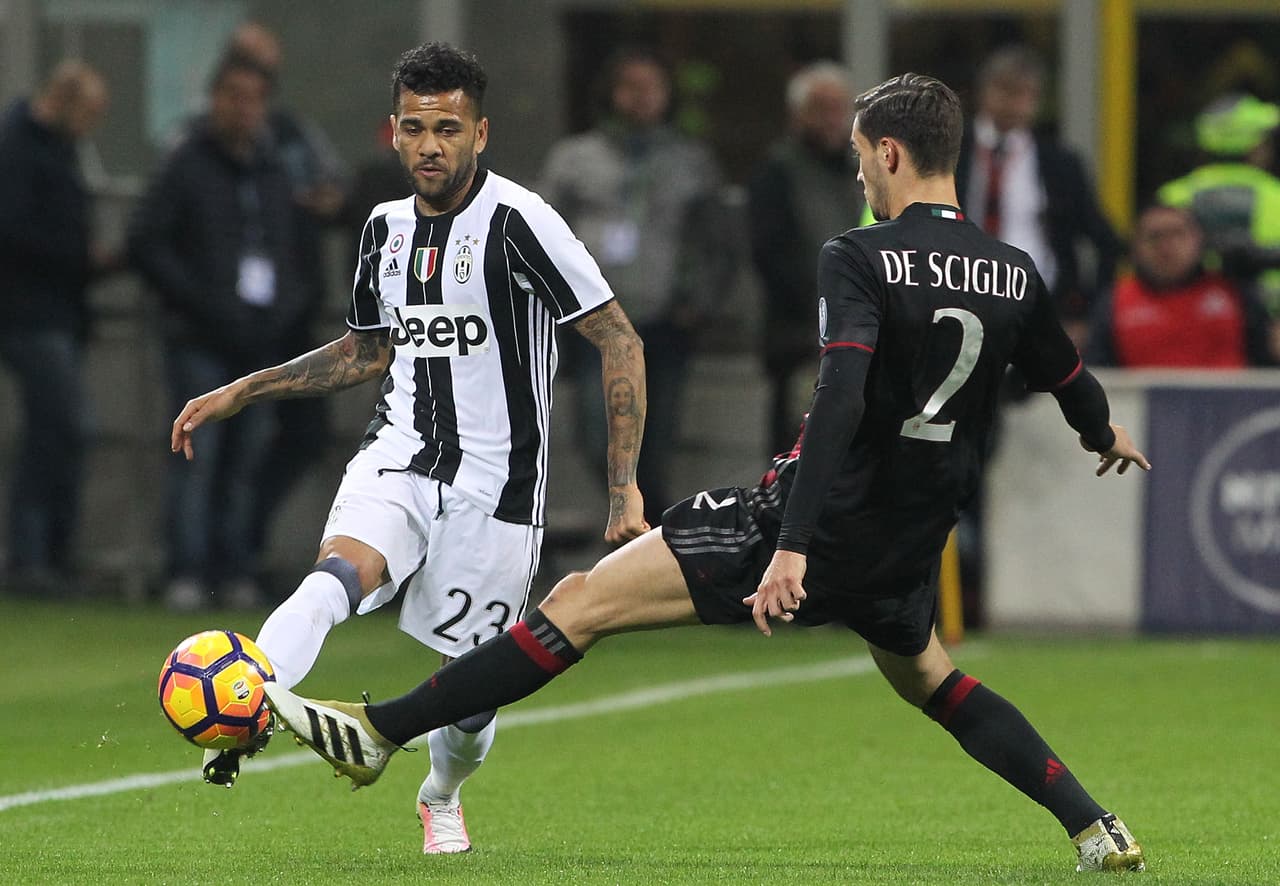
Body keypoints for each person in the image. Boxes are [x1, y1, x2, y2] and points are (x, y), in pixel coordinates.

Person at [265, 73, 1149, 874]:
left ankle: (383, 733)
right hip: (909, 535)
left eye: (858, 160)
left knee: (580, 602)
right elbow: (1070, 378)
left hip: (809, 518)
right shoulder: (1013, 271)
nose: (859, 180)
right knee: (938, 683)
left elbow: (836, 399)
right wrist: (1103, 434)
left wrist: (792, 545)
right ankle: (1093, 826)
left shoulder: (860, 253)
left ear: (889, 152)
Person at [169, 43, 648, 855]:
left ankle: (440, 790)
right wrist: (244, 388)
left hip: (499, 487)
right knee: (334, 577)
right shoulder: (383, 230)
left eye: (449, 128)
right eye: (417, 127)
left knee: (471, 703)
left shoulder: (520, 221)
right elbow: (366, 352)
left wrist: (623, 488)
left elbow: (619, 339)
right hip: (402, 453)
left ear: (480, 134)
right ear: (392, 132)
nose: (431, 145)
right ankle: (247, 712)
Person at [130, 51, 308, 612]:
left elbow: (291, 250)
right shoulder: (186, 165)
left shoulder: (274, 169)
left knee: (247, 462)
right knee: (197, 456)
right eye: (233, 96)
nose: (244, 108)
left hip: (258, 344)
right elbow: (148, 241)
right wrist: (202, 303)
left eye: (254, 98)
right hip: (201, 338)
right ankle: (187, 573)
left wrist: (282, 313)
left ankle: (234, 569)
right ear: (213, 100)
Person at [541, 47, 730, 525]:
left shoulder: (691, 160)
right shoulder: (576, 158)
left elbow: (718, 242)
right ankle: (635, 525)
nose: (642, 98)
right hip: (596, 322)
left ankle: (648, 535)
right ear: (610, 92)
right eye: (632, 86)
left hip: (664, 323)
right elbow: (542, 234)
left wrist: (699, 303)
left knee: (656, 438)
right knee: (594, 432)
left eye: (652, 88)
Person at [224, 21, 350, 593]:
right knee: (236, 443)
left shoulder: (288, 139)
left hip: (291, 314)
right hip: (228, 323)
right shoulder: (201, 148)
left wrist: (325, 202)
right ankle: (220, 562)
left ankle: (241, 547)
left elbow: (334, 189)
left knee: (299, 435)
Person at [0, 61, 109, 596]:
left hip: (54, 311)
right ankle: (34, 556)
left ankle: (44, 554)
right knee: (61, 429)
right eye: (87, 114)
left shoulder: (50, 146)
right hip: (30, 313)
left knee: (55, 432)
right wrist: (80, 257)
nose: (90, 127)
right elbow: (15, 229)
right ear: (64, 102)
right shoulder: (19, 147)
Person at [956, 45, 1122, 346]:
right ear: (983, 91)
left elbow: (1106, 241)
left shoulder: (1059, 164)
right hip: (955, 303)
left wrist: (1084, 313)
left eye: (1024, 93)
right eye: (1004, 89)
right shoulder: (950, 153)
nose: (1013, 102)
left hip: (1038, 307)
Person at [748, 61, 865, 457]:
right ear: (797, 114)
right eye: (821, 108)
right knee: (795, 459)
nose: (833, 119)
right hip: (800, 343)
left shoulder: (862, 174)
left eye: (840, 107)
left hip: (861, 342)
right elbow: (771, 256)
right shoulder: (777, 172)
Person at [1088, 203, 1277, 367]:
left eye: (1178, 234)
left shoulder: (1233, 293)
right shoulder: (1115, 300)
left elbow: (1265, 357)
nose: (1166, 246)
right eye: (1155, 237)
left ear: (1199, 241)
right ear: (1135, 247)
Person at [1157, 93, 1280, 318]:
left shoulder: (1172, 197)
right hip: (1269, 326)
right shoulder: (1276, 196)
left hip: (1186, 322)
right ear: (1256, 147)